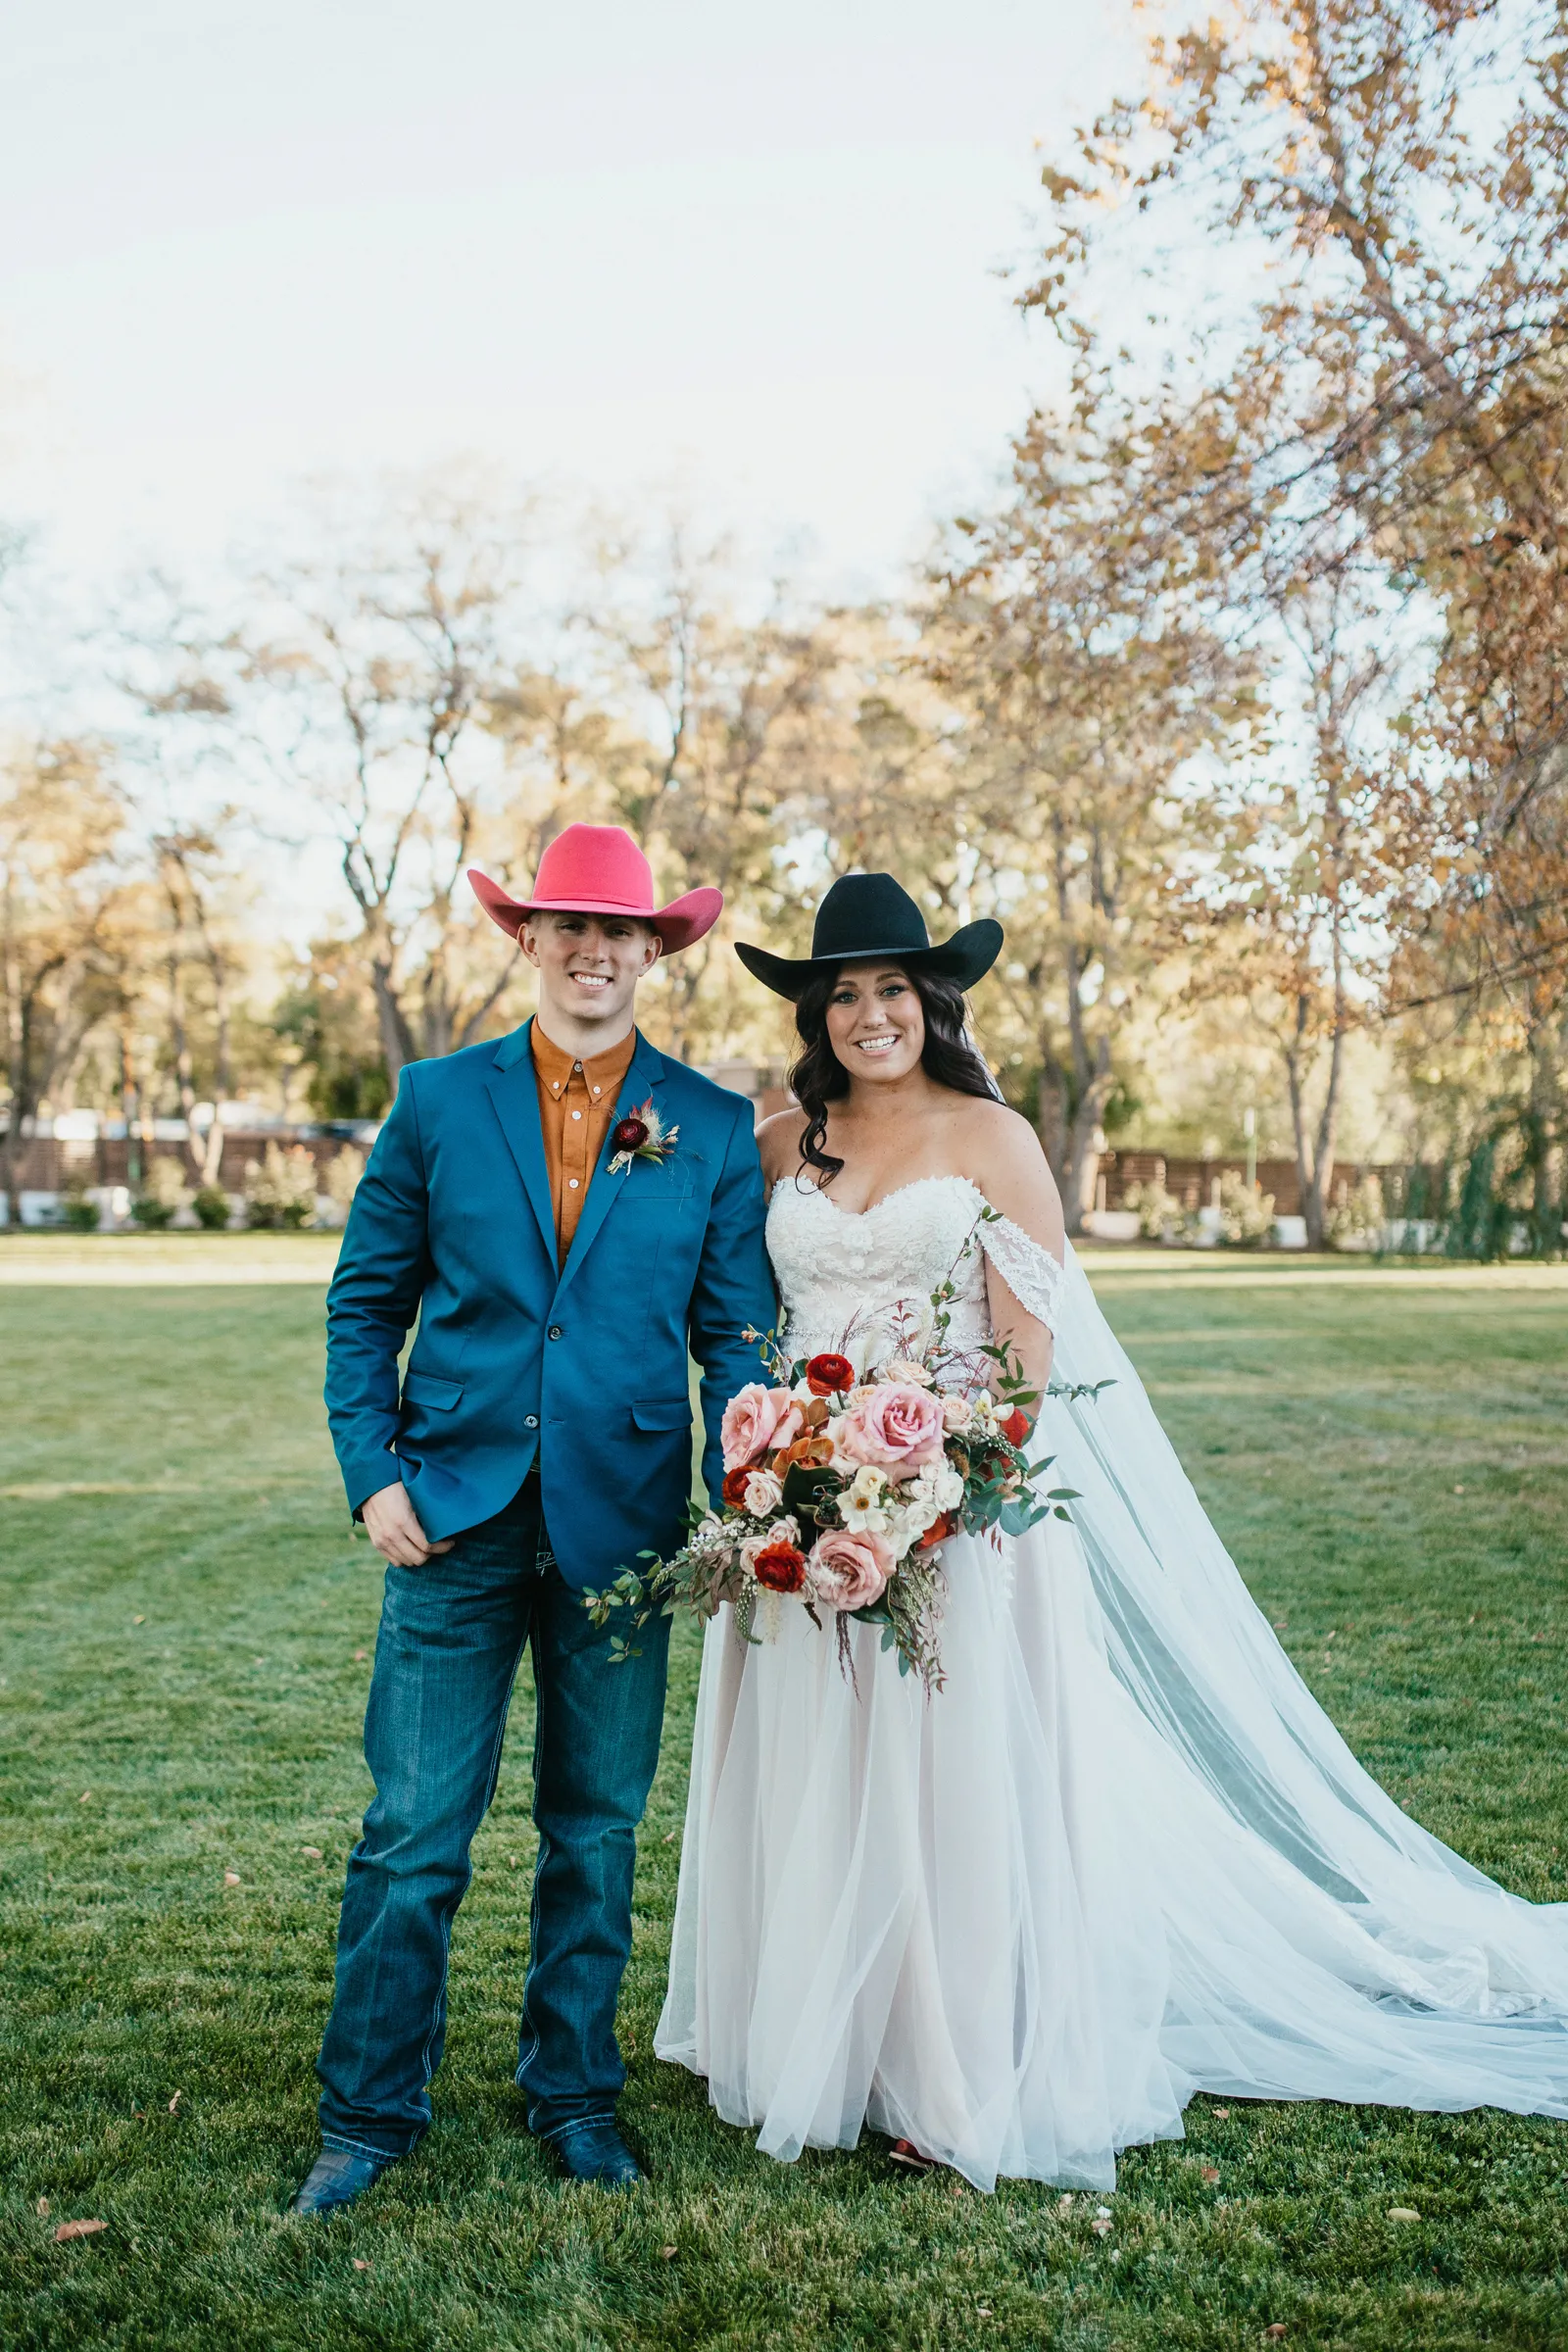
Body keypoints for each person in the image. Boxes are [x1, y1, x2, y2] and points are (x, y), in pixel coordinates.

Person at [657, 870, 1568, 2193]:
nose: (867, 1014)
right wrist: (782, 1475)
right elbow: (743, 1318)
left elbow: (1027, 1363)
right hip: (800, 1511)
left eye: (890, 989)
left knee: (945, 1789)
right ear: (815, 1010)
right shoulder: (779, 1140)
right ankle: (825, 2038)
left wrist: (931, 1493)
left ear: (932, 998)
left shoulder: (995, 1138)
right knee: (821, 1771)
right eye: (841, 993)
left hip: (951, 1519)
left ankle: (951, 2068)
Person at [292, 824, 774, 2215]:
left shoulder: (713, 1125)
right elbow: (363, 1304)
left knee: (596, 1829)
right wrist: (372, 1471)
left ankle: (573, 2096)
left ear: (654, 952)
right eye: (566, 924)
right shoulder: (439, 1101)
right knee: (414, 1830)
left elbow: (734, 1334)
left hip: (624, 1531)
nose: (592, 949)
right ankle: (368, 2115)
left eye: (619, 931)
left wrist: (750, 1490)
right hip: (447, 1516)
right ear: (529, 939)